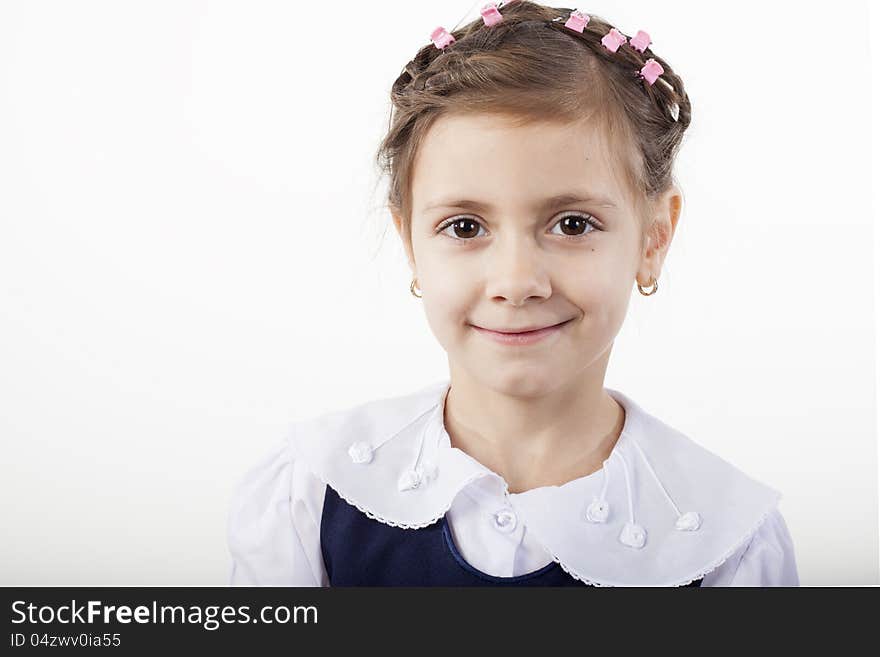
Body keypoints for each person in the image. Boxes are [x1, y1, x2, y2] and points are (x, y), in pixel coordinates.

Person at [226, 1, 799, 586]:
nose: (517, 282)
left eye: (573, 224)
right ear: (410, 242)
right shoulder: (313, 491)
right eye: (465, 227)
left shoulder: (725, 541)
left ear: (653, 238)